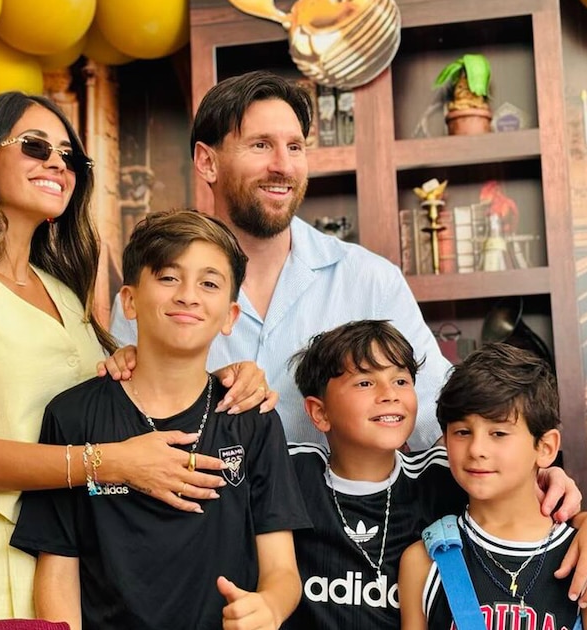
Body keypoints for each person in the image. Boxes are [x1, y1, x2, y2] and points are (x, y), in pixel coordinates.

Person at [0, 93, 261, 620]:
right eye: (35, 146)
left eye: (68, 156)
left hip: (75, 569)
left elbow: (102, 397)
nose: (56, 163)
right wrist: (114, 462)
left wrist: (224, 377)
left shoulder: (66, 293)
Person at [108, 70, 453, 451]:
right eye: (261, 145)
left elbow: (439, 419)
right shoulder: (154, 293)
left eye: (295, 147)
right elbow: (123, 432)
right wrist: (203, 390)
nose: (283, 166)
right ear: (207, 162)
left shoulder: (370, 280)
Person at [10, 209, 311, 630]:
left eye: (209, 283)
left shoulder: (251, 419)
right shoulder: (72, 415)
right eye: (169, 277)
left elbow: (282, 570)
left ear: (230, 316)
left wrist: (270, 607)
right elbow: (58, 569)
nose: (188, 295)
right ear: (129, 301)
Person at [283, 322, 587, 629]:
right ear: (319, 412)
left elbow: (521, 490)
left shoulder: (438, 474)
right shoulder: (291, 475)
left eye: (401, 380)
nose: (388, 394)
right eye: (365, 382)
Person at [398, 344, 587, 629]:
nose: (477, 449)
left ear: (545, 447)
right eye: (462, 432)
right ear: (445, 440)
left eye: (498, 433)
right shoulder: (424, 563)